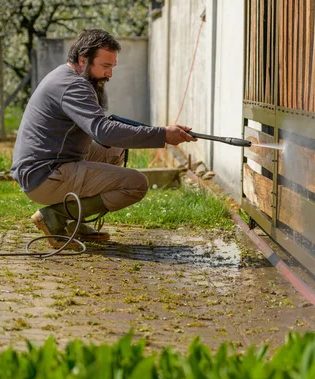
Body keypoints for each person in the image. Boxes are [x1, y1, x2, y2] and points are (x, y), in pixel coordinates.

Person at [11, 29, 197, 249]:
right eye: (105, 66)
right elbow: (104, 131)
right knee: (136, 184)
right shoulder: (74, 86)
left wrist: (158, 133)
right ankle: (54, 217)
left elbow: (105, 134)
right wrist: (163, 134)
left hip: (44, 166)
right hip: (44, 175)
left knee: (115, 151)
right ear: (83, 60)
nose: (109, 74)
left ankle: (73, 222)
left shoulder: (66, 75)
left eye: (112, 67)